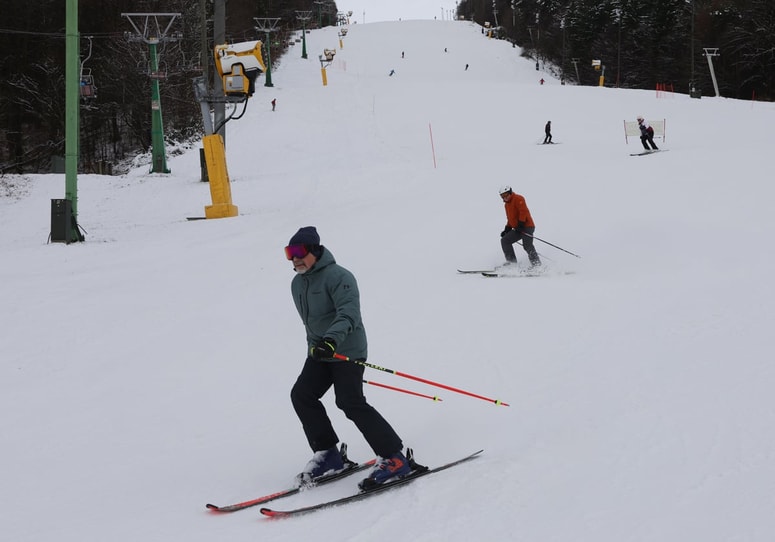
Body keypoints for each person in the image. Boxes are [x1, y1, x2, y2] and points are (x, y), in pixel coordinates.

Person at [284, 226, 411, 489]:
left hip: (347, 350)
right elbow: (311, 324)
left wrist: (331, 340)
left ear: (315, 251)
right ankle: (328, 454)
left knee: (349, 401)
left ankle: (394, 457)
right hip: (320, 352)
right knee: (302, 395)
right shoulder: (297, 283)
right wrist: (316, 346)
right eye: (289, 253)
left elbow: (348, 314)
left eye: (300, 252)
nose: (294, 258)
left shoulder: (339, 276)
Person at [498, 186, 541, 267]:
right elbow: (511, 218)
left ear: (510, 192)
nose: (505, 197)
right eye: (502, 196)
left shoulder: (518, 198)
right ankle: (512, 263)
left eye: (506, 195)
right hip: (518, 228)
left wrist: (521, 224)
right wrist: (507, 228)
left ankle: (537, 265)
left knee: (527, 245)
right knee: (505, 240)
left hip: (527, 226)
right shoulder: (507, 205)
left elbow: (523, 212)